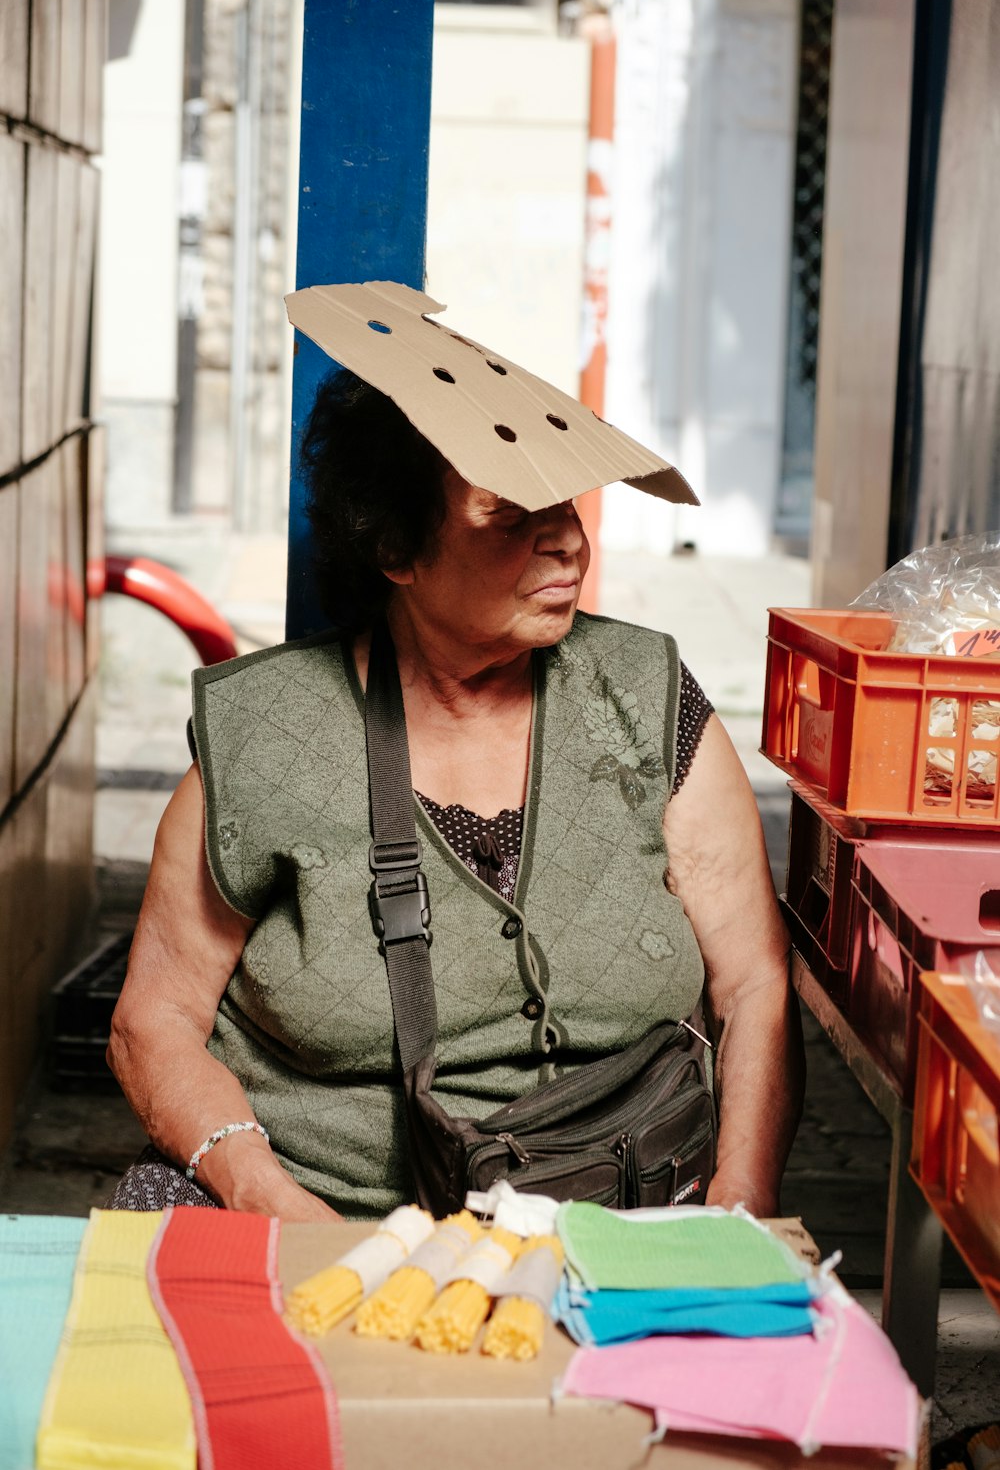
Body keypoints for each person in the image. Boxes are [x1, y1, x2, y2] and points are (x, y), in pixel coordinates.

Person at [109, 370, 804, 1221]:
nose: (568, 545)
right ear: (398, 550)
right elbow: (154, 1022)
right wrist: (273, 1203)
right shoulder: (263, 735)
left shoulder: (646, 700)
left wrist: (739, 1204)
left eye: (568, 508)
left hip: (623, 1201)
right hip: (321, 1200)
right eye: (512, 517)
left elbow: (755, 986)